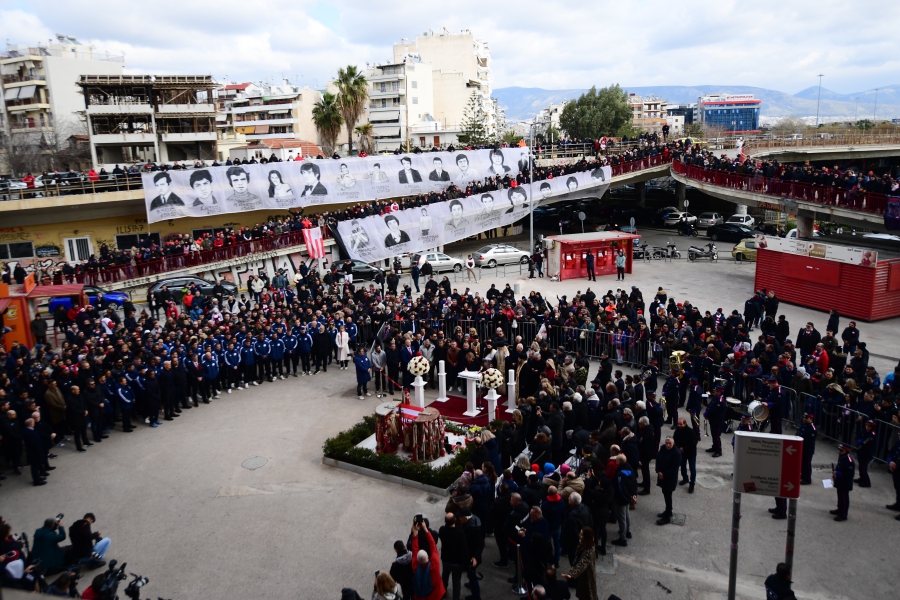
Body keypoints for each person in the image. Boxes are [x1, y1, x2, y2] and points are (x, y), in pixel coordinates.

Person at [410, 519, 445, 600]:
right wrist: (425, 529)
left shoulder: (415, 566)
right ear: (428, 558)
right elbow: (433, 546)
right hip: (436, 595)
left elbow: (415, 550)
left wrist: (414, 533)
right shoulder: (434, 566)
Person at [562, 527, 598, 600]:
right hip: (582, 576)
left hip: (587, 577)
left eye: (581, 534)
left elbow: (582, 564)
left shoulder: (590, 551)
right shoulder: (583, 543)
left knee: (588, 595)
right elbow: (578, 555)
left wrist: (572, 575)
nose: (579, 535)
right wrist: (573, 565)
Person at [611, 455, 636, 547]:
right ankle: (627, 531)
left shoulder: (620, 474)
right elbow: (634, 483)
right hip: (628, 497)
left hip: (621, 499)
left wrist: (627, 497)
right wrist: (633, 495)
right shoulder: (629, 469)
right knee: (626, 514)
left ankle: (623, 538)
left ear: (619, 462)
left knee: (621, 518)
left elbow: (621, 488)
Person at [655, 437, 682, 525]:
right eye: (666, 443)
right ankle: (668, 511)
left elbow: (674, 468)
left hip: (669, 478)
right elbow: (658, 459)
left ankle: (667, 516)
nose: (667, 445)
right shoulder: (663, 448)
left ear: (673, 443)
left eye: (669, 443)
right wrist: (658, 471)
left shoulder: (676, 453)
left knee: (668, 495)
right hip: (662, 475)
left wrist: (664, 475)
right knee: (665, 493)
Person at [673, 418, 697, 493]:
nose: (679, 425)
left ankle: (692, 483)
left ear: (685, 423)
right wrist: (679, 448)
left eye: (681, 424)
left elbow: (693, 443)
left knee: (692, 469)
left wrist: (684, 448)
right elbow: (675, 440)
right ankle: (685, 478)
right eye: (678, 424)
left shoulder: (691, 432)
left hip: (690, 453)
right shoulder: (677, 430)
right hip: (682, 453)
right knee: (683, 466)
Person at [831, 444, 854, 521]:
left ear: (846, 451)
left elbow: (849, 474)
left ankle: (843, 514)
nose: (839, 452)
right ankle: (839, 509)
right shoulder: (842, 456)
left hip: (845, 483)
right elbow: (839, 466)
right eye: (839, 450)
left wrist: (838, 473)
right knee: (839, 496)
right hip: (840, 481)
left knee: (844, 498)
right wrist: (835, 473)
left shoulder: (849, 460)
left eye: (841, 450)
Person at [797, 413, 817, 485]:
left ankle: (807, 479)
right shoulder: (803, 425)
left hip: (807, 449)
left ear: (811, 419)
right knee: (802, 463)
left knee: (807, 464)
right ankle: (801, 476)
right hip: (801, 448)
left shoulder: (813, 429)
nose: (804, 419)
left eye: (806, 418)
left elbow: (808, 440)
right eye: (804, 417)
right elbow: (798, 433)